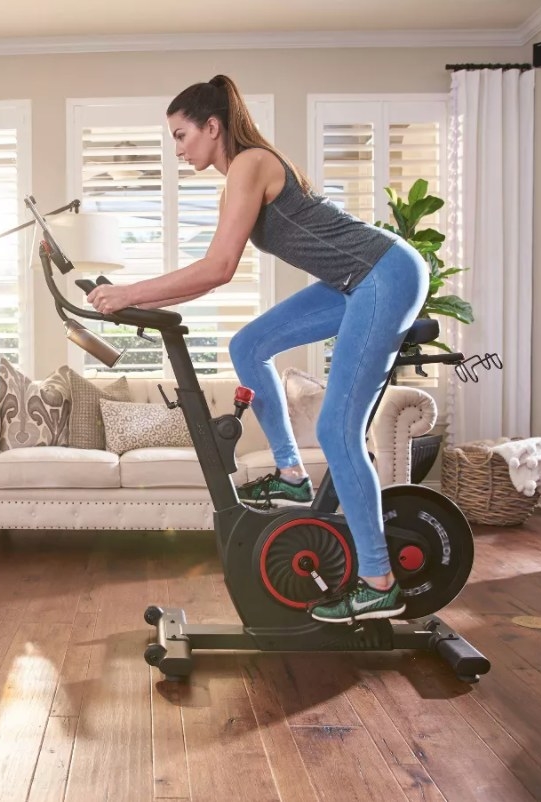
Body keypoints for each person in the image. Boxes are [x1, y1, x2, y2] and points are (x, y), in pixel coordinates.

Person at [86, 75, 427, 624]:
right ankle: (291, 474)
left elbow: (218, 270)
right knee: (250, 344)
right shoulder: (237, 180)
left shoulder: (250, 163)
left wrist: (127, 292)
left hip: (384, 274)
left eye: (181, 135)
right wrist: (131, 298)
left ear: (212, 127)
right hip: (356, 280)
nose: (178, 149)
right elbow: (209, 275)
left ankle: (379, 582)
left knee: (339, 432)